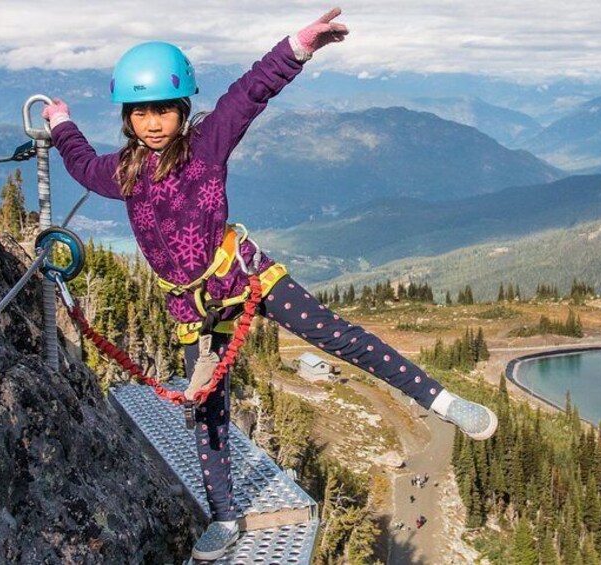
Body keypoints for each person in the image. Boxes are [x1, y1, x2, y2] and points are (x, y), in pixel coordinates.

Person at [43, 6, 497, 561]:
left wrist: (298, 45)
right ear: (127, 118)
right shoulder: (123, 174)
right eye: (141, 113)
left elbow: (249, 92)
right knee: (208, 409)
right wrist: (61, 123)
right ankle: (226, 517)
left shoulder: (207, 144)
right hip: (193, 307)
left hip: (240, 272)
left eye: (164, 109)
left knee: (335, 336)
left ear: (183, 111)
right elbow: (80, 162)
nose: (154, 122)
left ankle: (441, 400)